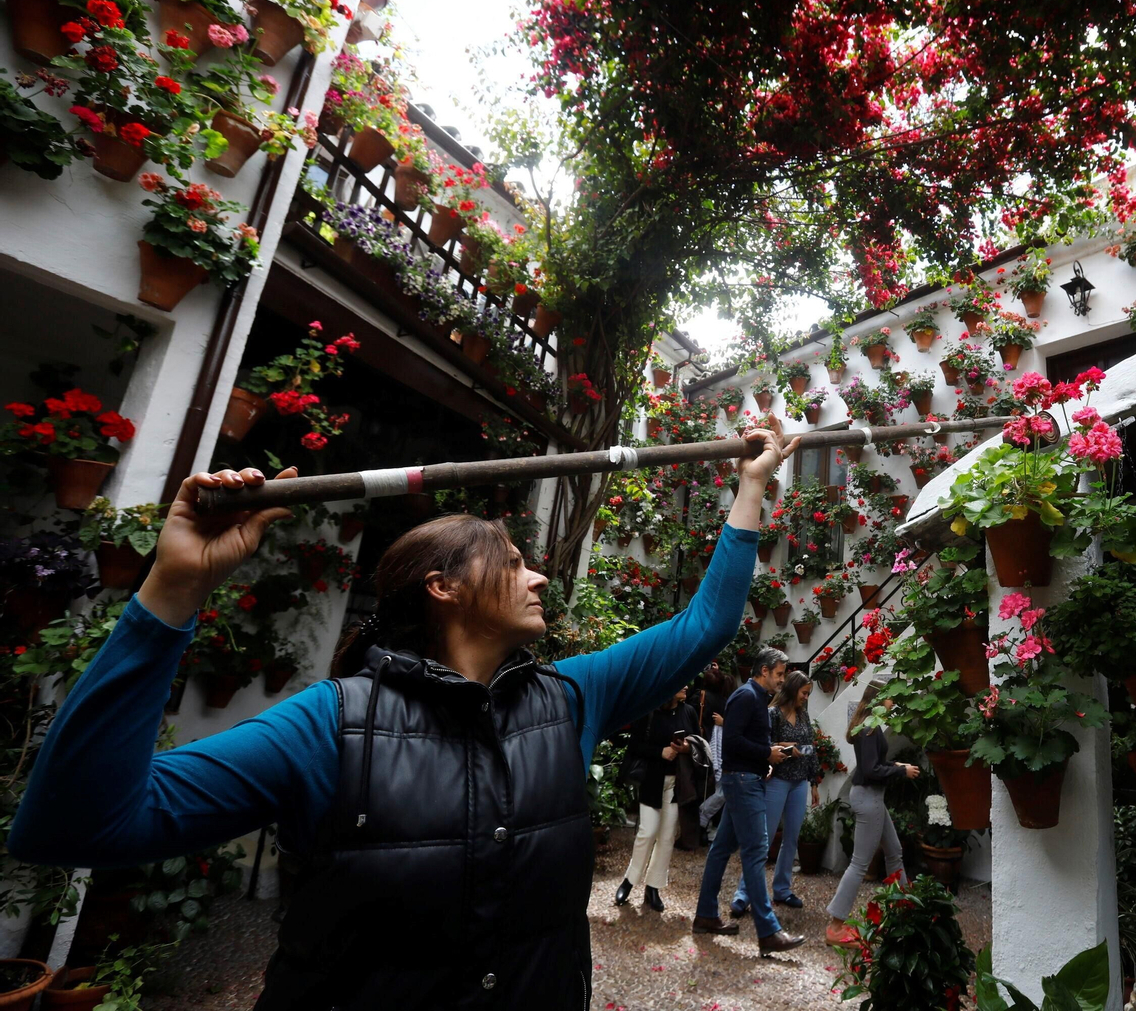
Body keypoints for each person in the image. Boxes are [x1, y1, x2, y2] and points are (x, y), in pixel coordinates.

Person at [9, 424, 797, 1011]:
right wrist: (171, 589)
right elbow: (80, 824)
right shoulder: (328, 724)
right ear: (441, 586)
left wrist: (752, 485)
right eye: (513, 559)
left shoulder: (569, 699)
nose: (540, 574)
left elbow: (704, 626)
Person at [692, 648, 805, 954]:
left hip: (745, 778)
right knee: (755, 852)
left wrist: (767, 755)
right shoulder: (746, 696)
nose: (783, 680)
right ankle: (768, 931)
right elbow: (731, 742)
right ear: (764, 671)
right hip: (742, 782)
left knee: (721, 850)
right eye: (780, 674)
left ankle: (705, 915)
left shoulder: (755, 698)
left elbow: (745, 741)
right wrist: (764, 754)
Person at [825, 683, 920, 947]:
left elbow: (874, 766)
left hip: (872, 797)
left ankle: (904, 912)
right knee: (859, 864)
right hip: (868, 798)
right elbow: (870, 770)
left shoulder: (870, 726)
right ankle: (835, 927)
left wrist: (895, 765)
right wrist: (900, 771)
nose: (893, 704)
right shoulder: (869, 729)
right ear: (879, 700)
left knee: (894, 852)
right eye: (891, 699)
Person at [730, 670, 819, 917]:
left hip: (799, 783)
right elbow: (763, 746)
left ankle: (782, 889)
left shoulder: (803, 715)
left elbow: (812, 747)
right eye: (804, 693)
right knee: (763, 840)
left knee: (791, 838)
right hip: (777, 781)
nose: (806, 698)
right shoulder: (772, 714)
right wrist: (785, 750)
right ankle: (743, 894)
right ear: (792, 690)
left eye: (808, 693)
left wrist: (814, 782)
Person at [616, 686, 695, 911]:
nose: (687, 686)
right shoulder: (649, 711)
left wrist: (687, 747)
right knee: (647, 832)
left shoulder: (688, 711)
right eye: (681, 684)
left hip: (676, 783)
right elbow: (635, 746)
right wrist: (659, 752)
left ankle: (653, 887)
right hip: (652, 781)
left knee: (667, 836)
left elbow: (698, 740)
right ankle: (629, 881)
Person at [693, 666, 734, 840]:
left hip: (697, 746)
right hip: (717, 750)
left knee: (701, 788)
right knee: (719, 790)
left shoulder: (697, 698)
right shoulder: (724, 703)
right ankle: (704, 824)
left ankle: (698, 824)